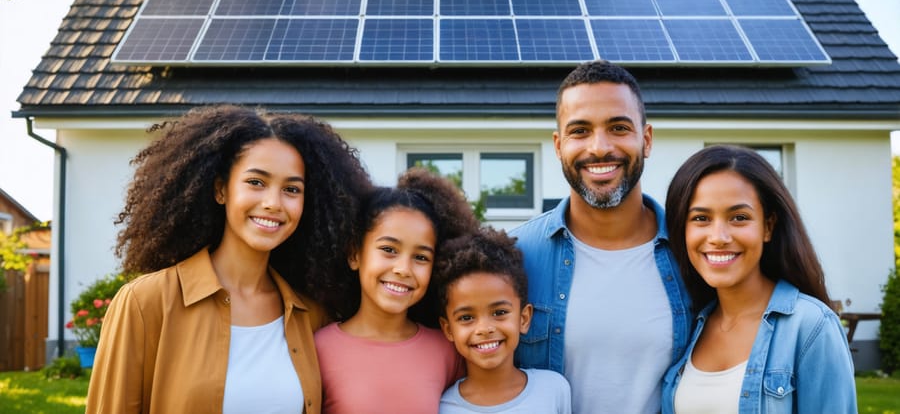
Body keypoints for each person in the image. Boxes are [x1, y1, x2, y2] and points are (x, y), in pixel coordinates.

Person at [86, 104, 373, 414]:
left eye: (291, 189)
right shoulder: (146, 304)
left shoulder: (312, 315)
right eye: (256, 182)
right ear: (221, 189)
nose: (273, 203)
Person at [510, 60, 692, 414]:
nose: (599, 147)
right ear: (558, 145)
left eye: (618, 128)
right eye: (580, 131)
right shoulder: (514, 257)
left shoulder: (694, 255)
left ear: (647, 139)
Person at [661, 145, 856, 413]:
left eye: (739, 218)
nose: (718, 237)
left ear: (768, 226)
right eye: (701, 218)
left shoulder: (811, 328)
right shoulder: (690, 325)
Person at [314, 167, 478, 414]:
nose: (403, 269)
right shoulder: (319, 348)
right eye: (389, 250)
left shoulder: (447, 349)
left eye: (421, 257)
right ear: (354, 254)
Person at [434, 228, 572, 413]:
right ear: (448, 329)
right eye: (467, 317)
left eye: (499, 312)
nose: (484, 329)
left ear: (524, 319)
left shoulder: (554, 390)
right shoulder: (442, 408)